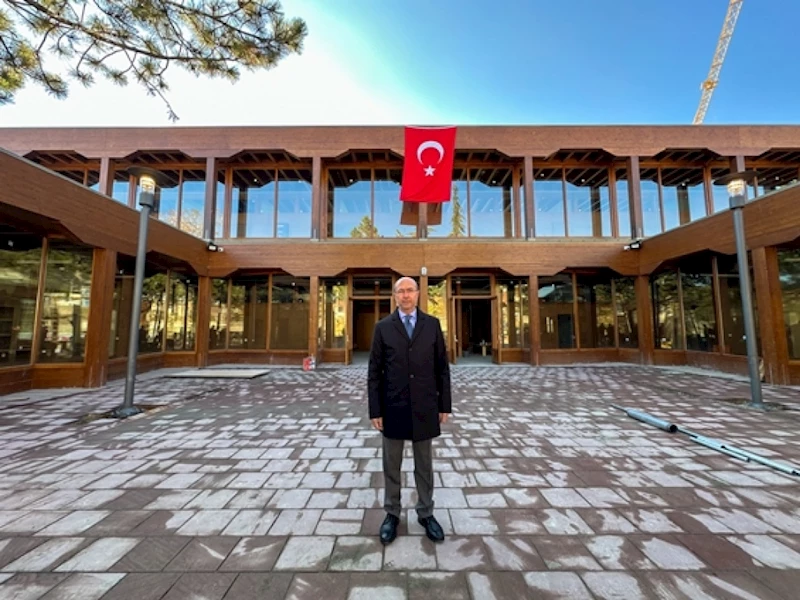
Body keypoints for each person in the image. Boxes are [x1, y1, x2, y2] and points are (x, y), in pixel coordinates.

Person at [368, 276, 452, 545]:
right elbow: (374, 372)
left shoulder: (432, 325)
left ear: (417, 294)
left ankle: (426, 513)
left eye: (410, 290)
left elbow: (442, 368)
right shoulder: (383, 327)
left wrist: (444, 404)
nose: (405, 295)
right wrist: (375, 410)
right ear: (395, 296)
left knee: (424, 465)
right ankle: (392, 514)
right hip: (393, 406)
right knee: (391, 465)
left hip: (425, 406)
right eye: (400, 291)